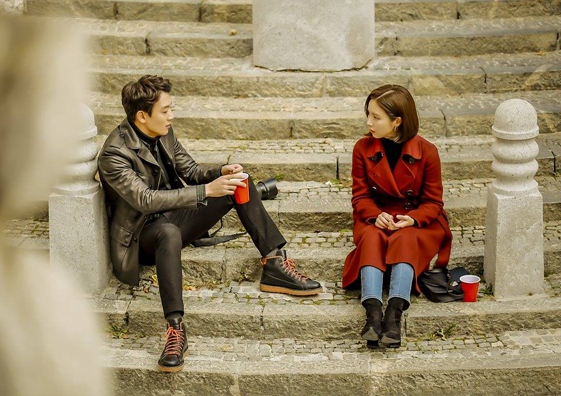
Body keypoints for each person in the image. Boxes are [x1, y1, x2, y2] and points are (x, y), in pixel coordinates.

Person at [97, 75, 321, 372]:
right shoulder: (114, 153)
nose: (171, 116)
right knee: (168, 232)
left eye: (170, 109)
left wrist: (219, 173)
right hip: (143, 235)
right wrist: (206, 191)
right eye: (165, 110)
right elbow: (145, 200)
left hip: (175, 214)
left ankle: (274, 263)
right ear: (141, 116)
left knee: (239, 183)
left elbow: (190, 170)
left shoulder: (163, 131)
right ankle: (175, 329)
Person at [342, 84, 452, 349]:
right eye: (368, 114)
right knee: (371, 237)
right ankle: (372, 314)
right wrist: (376, 215)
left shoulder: (427, 151)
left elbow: (433, 202)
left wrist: (412, 219)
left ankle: (394, 314)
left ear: (397, 121)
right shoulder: (362, 148)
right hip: (376, 215)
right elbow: (360, 197)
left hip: (415, 219)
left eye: (376, 117)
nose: (368, 123)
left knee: (405, 238)